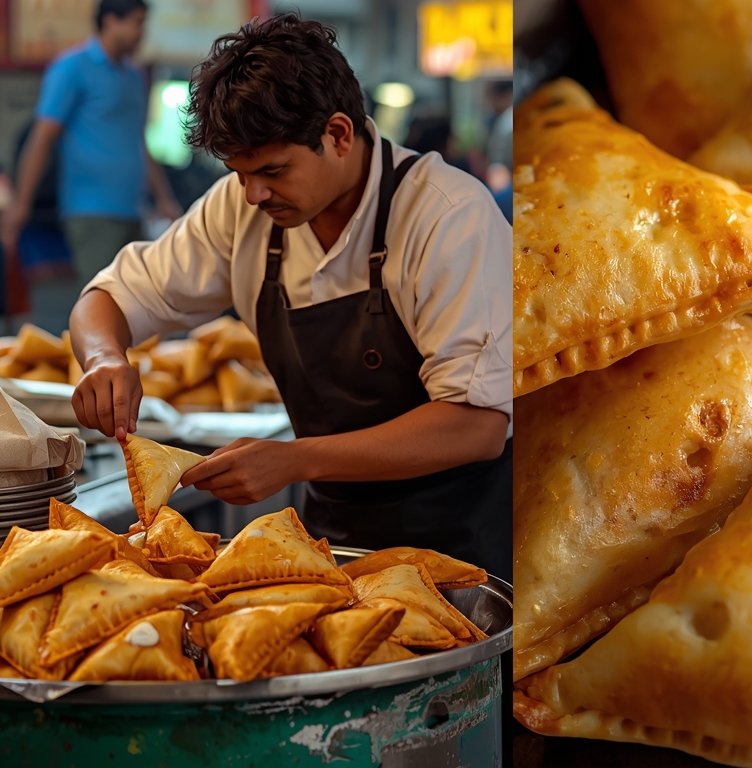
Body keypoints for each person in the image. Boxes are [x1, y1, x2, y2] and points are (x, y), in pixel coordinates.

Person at [67, 13, 512, 580]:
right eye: (238, 173)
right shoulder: (242, 206)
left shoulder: (448, 216)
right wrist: (105, 358)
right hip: (334, 545)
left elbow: (476, 425)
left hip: (462, 545)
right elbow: (106, 297)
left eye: (273, 170)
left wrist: (296, 459)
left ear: (339, 134)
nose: (253, 194)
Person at [1, 0, 181, 296]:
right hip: (90, 211)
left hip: (135, 210)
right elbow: (42, 137)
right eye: (137, 23)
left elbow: (139, 140)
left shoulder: (133, 75)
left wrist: (164, 198)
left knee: (143, 304)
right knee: (104, 302)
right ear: (110, 21)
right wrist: (22, 204)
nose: (142, 32)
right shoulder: (72, 67)